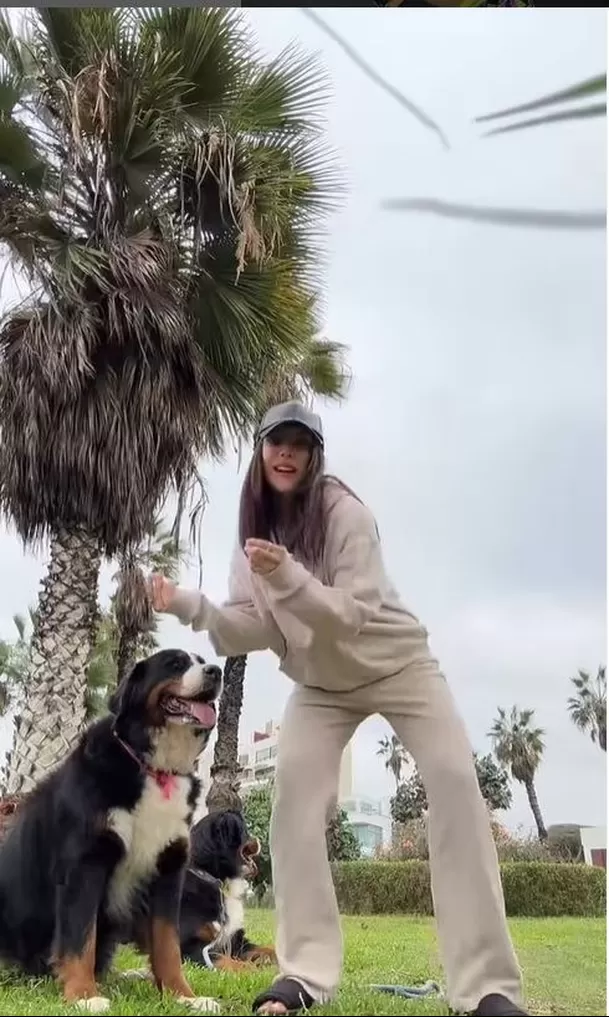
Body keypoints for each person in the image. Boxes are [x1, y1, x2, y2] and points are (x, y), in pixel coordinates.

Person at [149, 400, 529, 1017]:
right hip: (322, 687)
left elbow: (350, 616)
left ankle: (487, 988)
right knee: (294, 800)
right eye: (276, 442)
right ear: (262, 451)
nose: (286, 453)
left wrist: (291, 576)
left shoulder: (345, 514)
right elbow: (248, 627)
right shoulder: (253, 529)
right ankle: (304, 975)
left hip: (399, 666)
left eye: (299, 444)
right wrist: (190, 606)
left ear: (314, 456)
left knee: (458, 784)